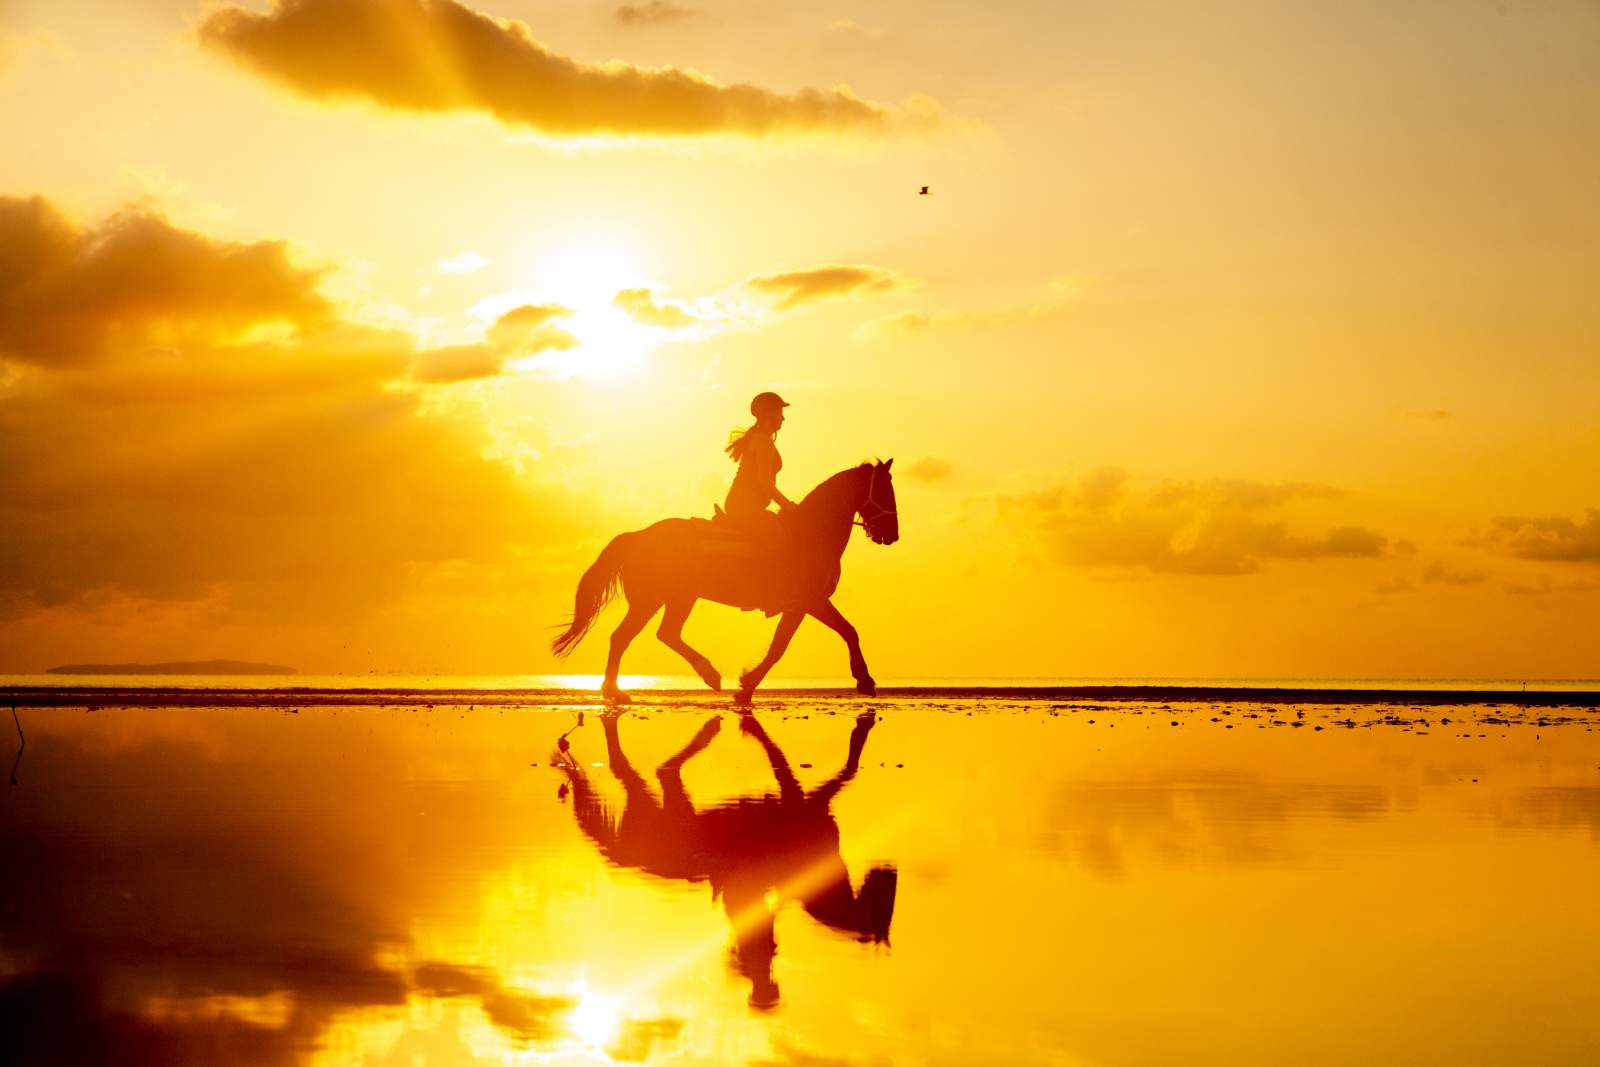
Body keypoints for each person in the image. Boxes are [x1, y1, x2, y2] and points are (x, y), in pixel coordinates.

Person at [723, 392, 795, 534]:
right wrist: (788, 506)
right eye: (780, 412)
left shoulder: (760, 438)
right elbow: (764, 482)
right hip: (745, 508)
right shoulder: (763, 441)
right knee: (779, 541)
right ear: (769, 414)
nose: (783, 418)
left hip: (744, 506)